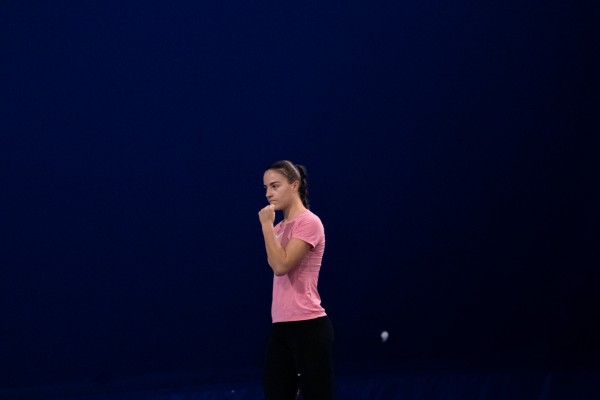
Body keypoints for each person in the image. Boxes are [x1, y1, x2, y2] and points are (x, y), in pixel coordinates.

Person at [258, 160, 335, 400]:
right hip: (281, 326)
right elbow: (275, 264)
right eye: (266, 188)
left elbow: (281, 266)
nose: (268, 193)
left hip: (308, 327)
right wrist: (271, 228)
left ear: (294, 185)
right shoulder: (279, 228)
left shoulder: (309, 222)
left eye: (275, 186)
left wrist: (266, 225)